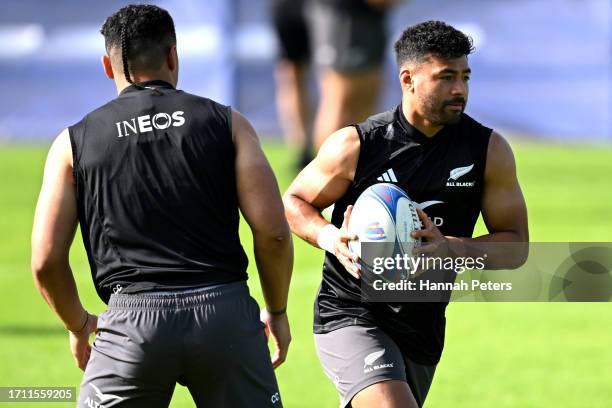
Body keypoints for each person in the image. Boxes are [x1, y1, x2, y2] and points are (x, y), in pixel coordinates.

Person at [31, 5, 292, 408]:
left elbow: (46, 261)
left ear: (107, 65)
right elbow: (273, 233)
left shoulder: (72, 143)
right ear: (173, 57)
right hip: (224, 319)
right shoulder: (229, 123)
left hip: (132, 327)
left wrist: (79, 324)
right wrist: (276, 310)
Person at [283, 21, 528, 408]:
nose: (459, 89)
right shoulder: (357, 144)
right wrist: (330, 237)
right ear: (408, 79)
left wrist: (450, 248)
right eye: (445, 77)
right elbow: (294, 202)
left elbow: (515, 248)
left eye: (464, 77)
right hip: (351, 311)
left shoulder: (488, 151)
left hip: (422, 326)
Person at [270, 0, 398, 169]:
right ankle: (324, 175)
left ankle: (354, 170)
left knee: (365, 93)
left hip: (362, 16)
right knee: (339, 95)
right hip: (345, 13)